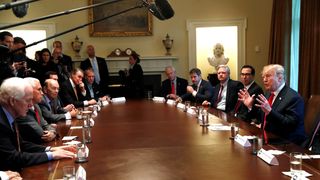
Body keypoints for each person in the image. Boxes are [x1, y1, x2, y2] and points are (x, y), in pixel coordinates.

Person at [0, 77, 75, 171]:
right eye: (27, 100)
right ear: (12, 101)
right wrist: (51, 155)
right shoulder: (1, 122)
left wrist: (50, 149)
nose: (31, 105)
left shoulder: (11, 114)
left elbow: (22, 144)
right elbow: (13, 157)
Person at [238, 64, 306, 145]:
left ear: (280, 78)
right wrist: (250, 106)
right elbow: (261, 117)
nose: (264, 80)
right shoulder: (268, 94)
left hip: (285, 143)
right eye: (263, 77)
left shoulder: (293, 97)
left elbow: (290, 125)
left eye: (268, 76)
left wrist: (270, 111)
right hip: (266, 138)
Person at [15, 78, 56, 144]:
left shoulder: (36, 106)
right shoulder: (23, 109)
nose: (42, 93)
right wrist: (52, 133)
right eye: (39, 89)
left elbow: (46, 125)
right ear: (29, 91)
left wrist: (52, 132)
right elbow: (41, 134)